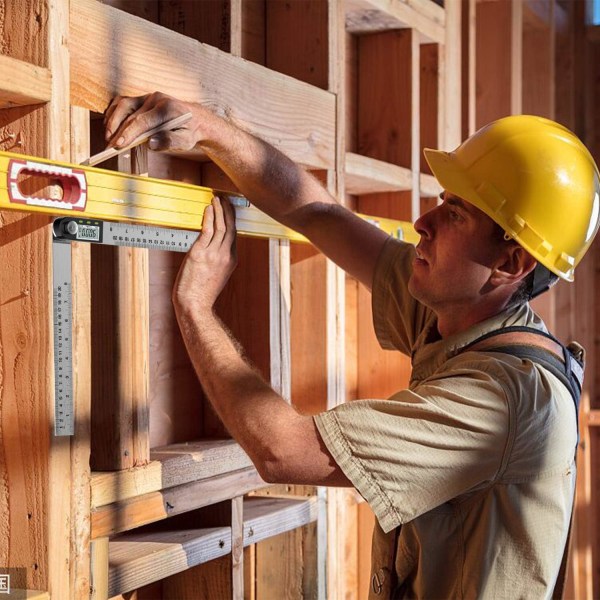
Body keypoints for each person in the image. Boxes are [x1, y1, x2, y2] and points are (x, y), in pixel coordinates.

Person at [105, 92, 600, 599]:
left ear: (511, 265)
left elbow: (283, 452)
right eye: (441, 201)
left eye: (456, 215)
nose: (422, 224)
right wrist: (209, 128)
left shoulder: (505, 400)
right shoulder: (462, 314)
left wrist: (194, 308)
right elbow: (320, 215)